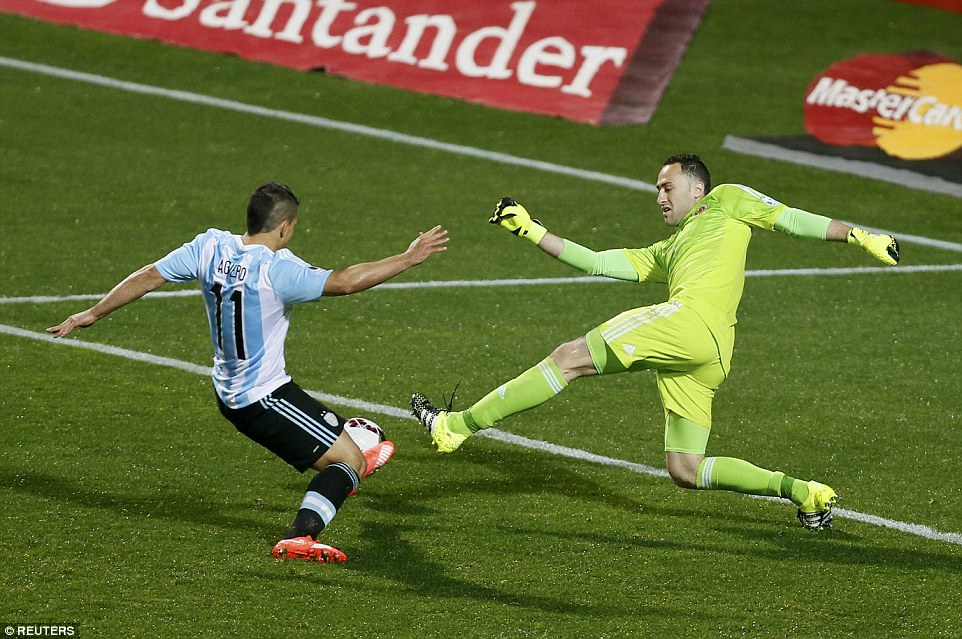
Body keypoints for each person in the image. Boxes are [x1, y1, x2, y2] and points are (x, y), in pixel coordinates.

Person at [412, 154, 899, 530]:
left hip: (689, 323)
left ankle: (454, 426)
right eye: (657, 190)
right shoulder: (668, 251)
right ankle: (804, 493)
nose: (660, 197)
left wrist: (858, 235)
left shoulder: (726, 200)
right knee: (685, 469)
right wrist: (532, 230)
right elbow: (598, 262)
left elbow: (789, 218)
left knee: (569, 358)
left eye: (667, 187)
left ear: (697, 187)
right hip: (710, 354)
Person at [48, 182, 448, 561]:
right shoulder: (277, 269)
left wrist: (93, 312)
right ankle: (303, 534)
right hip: (264, 397)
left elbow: (149, 275)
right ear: (285, 227)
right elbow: (344, 283)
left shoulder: (209, 246)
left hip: (230, 391)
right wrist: (408, 258)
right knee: (350, 462)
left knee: (358, 444)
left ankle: (341, 473)